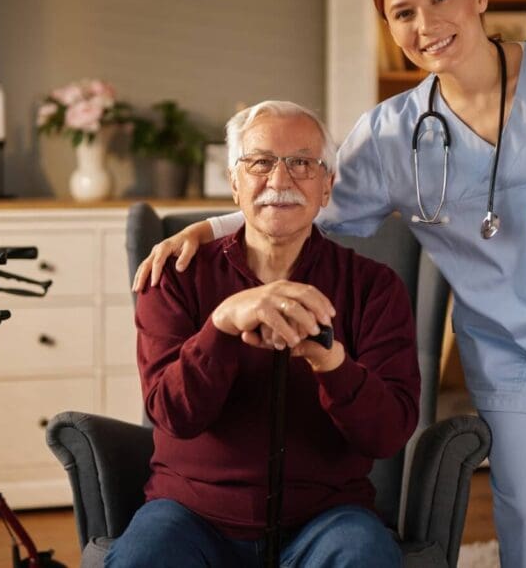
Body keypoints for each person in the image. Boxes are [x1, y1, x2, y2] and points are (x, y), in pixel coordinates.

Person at [132, 0, 526, 568]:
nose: (425, 23)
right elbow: (298, 191)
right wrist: (210, 228)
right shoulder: (389, 135)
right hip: (513, 346)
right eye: (403, 13)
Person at [107, 101, 420, 567]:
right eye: (260, 162)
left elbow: (388, 434)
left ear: (327, 186)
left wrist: (332, 365)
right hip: (190, 514)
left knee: (366, 556)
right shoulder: (175, 276)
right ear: (235, 183)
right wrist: (220, 325)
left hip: (328, 517)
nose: (279, 180)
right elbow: (173, 414)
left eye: (301, 163)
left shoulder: (373, 287)